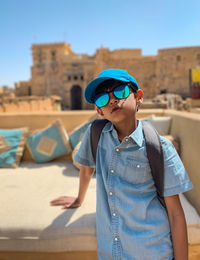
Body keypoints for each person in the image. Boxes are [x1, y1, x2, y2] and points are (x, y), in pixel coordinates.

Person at [51, 69, 193, 260]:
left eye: (119, 91)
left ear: (139, 97)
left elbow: (175, 214)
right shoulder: (95, 136)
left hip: (153, 251)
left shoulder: (161, 148)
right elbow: (87, 169)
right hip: (110, 253)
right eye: (102, 98)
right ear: (99, 111)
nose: (111, 100)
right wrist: (79, 199)